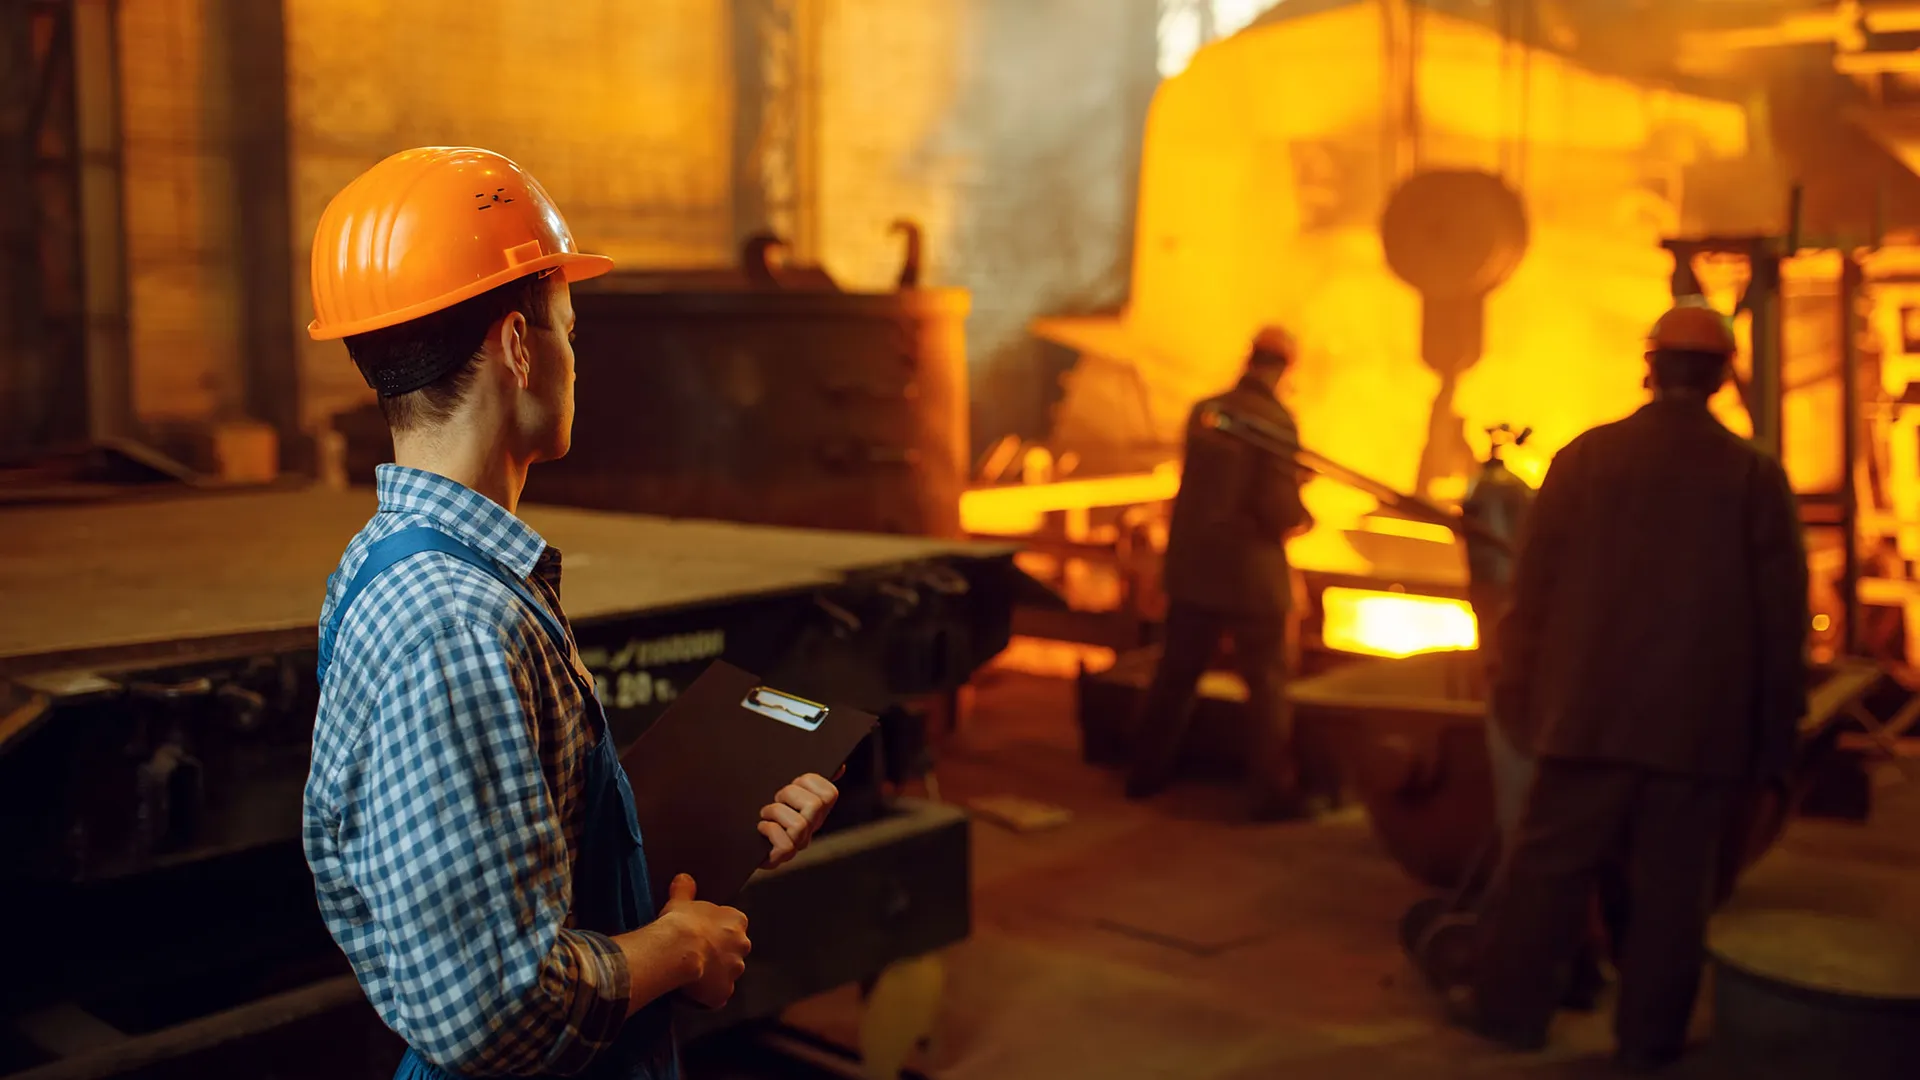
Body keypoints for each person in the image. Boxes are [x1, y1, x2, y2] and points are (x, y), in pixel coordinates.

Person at [301, 147, 841, 1080]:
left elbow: (507, 851)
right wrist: (681, 951)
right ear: (517, 347)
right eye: (569, 331)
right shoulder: (454, 620)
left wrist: (708, 842)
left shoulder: (415, 566)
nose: (573, 362)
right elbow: (490, 1011)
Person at [1455, 299, 1810, 1070]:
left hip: (1584, 720)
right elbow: (1783, 628)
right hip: (1698, 735)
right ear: (1721, 379)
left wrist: (1519, 700)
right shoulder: (1754, 477)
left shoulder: (1584, 460)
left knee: (1544, 876)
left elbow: (1531, 596)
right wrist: (1775, 747)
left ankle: (1509, 1012)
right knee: (1674, 898)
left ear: (1650, 368)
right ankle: (1647, 1044)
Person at [1126, 325, 1317, 817]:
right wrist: (1302, 509)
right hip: (1250, 579)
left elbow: (1215, 485)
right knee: (1268, 684)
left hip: (1193, 572)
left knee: (1175, 675)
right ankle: (1271, 794)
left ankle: (1144, 775)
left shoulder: (1206, 411)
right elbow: (1275, 508)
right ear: (1286, 370)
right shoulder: (1275, 420)